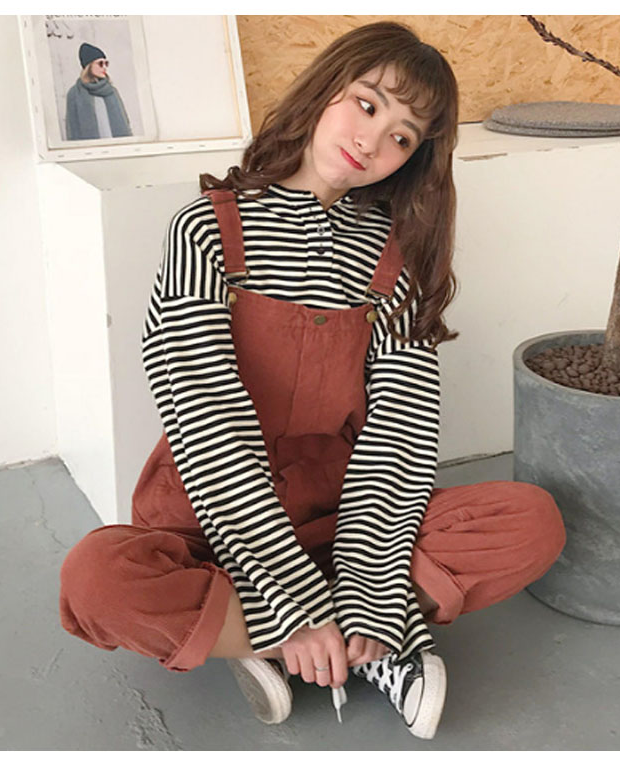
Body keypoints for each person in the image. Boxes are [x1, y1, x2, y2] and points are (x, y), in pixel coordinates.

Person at [59, 22, 566, 740]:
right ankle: (316, 640)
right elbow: (205, 418)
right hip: (211, 509)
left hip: (346, 513)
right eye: (367, 104)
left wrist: (369, 584)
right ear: (326, 89)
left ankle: (310, 629)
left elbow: (399, 435)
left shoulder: (392, 262)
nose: (373, 140)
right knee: (97, 579)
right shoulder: (207, 231)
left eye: (401, 136)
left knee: (533, 519)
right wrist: (293, 597)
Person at [65, 42, 132, 140]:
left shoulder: (111, 91)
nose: (104, 67)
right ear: (89, 65)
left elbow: (125, 122)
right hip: (92, 148)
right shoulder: (74, 94)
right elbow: (72, 129)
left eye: (106, 63)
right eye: (100, 63)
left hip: (117, 145)